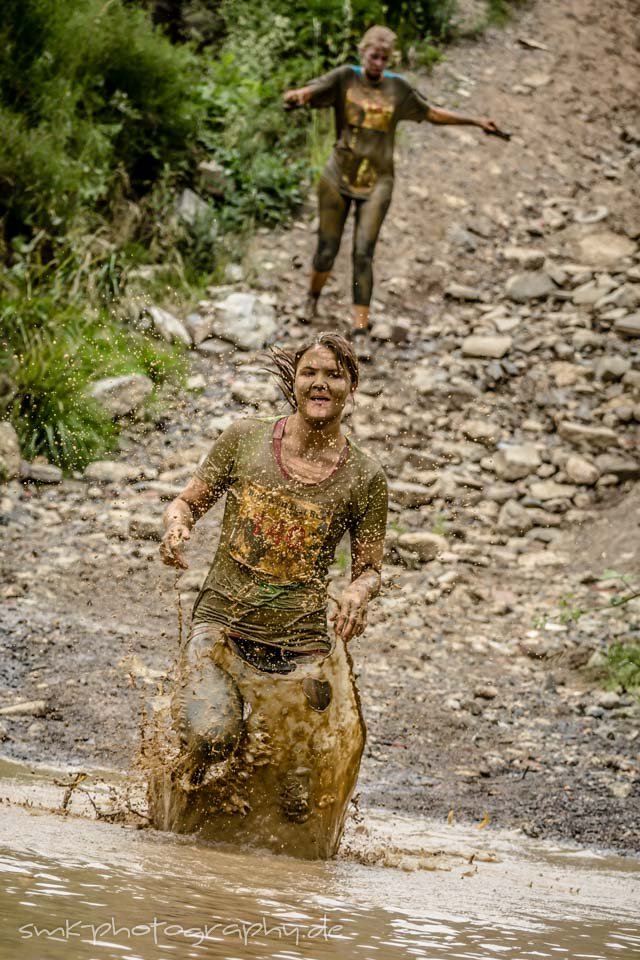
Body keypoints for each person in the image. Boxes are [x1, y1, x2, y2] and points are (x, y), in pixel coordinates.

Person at [150, 332, 388, 858]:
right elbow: (186, 503)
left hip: (303, 651)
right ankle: (171, 833)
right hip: (222, 630)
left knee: (300, 792)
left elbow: (370, 568)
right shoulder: (244, 439)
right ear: (294, 381)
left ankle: (268, 880)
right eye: (310, 373)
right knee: (211, 738)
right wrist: (175, 528)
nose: (320, 383)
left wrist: (357, 592)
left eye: (333, 375)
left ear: (350, 387)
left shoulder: (366, 477)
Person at [283, 24, 502, 335]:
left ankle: (360, 324)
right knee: (327, 248)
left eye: (384, 58)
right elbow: (310, 91)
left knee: (363, 251)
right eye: (374, 56)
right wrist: (297, 96)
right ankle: (311, 300)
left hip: (378, 182)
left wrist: (475, 121)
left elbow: (432, 114)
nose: (379, 63)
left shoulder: (398, 89)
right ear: (363, 53)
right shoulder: (345, 77)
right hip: (338, 175)